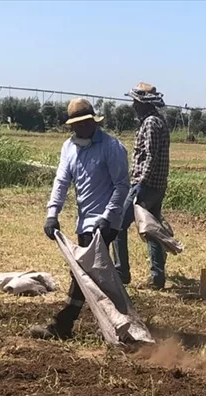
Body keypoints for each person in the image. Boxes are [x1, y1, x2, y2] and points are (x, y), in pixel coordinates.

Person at [30, 98, 129, 340]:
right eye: (77, 125)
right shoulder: (69, 148)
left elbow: (121, 185)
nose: (82, 128)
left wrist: (108, 216)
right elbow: (62, 182)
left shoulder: (111, 147)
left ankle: (63, 325)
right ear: (71, 126)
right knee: (95, 275)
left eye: (86, 123)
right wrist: (52, 214)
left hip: (105, 223)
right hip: (84, 223)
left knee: (83, 273)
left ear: (93, 121)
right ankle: (125, 322)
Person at [113, 82, 171, 289]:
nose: (133, 106)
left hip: (145, 185)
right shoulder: (158, 121)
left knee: (118, 225)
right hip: (157, 185)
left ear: (144, 104)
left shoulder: (150, 123)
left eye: (135, 102)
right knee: (152, 229)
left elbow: (151, 156)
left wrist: (140, 182)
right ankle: (157, 277)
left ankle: (121, 272)